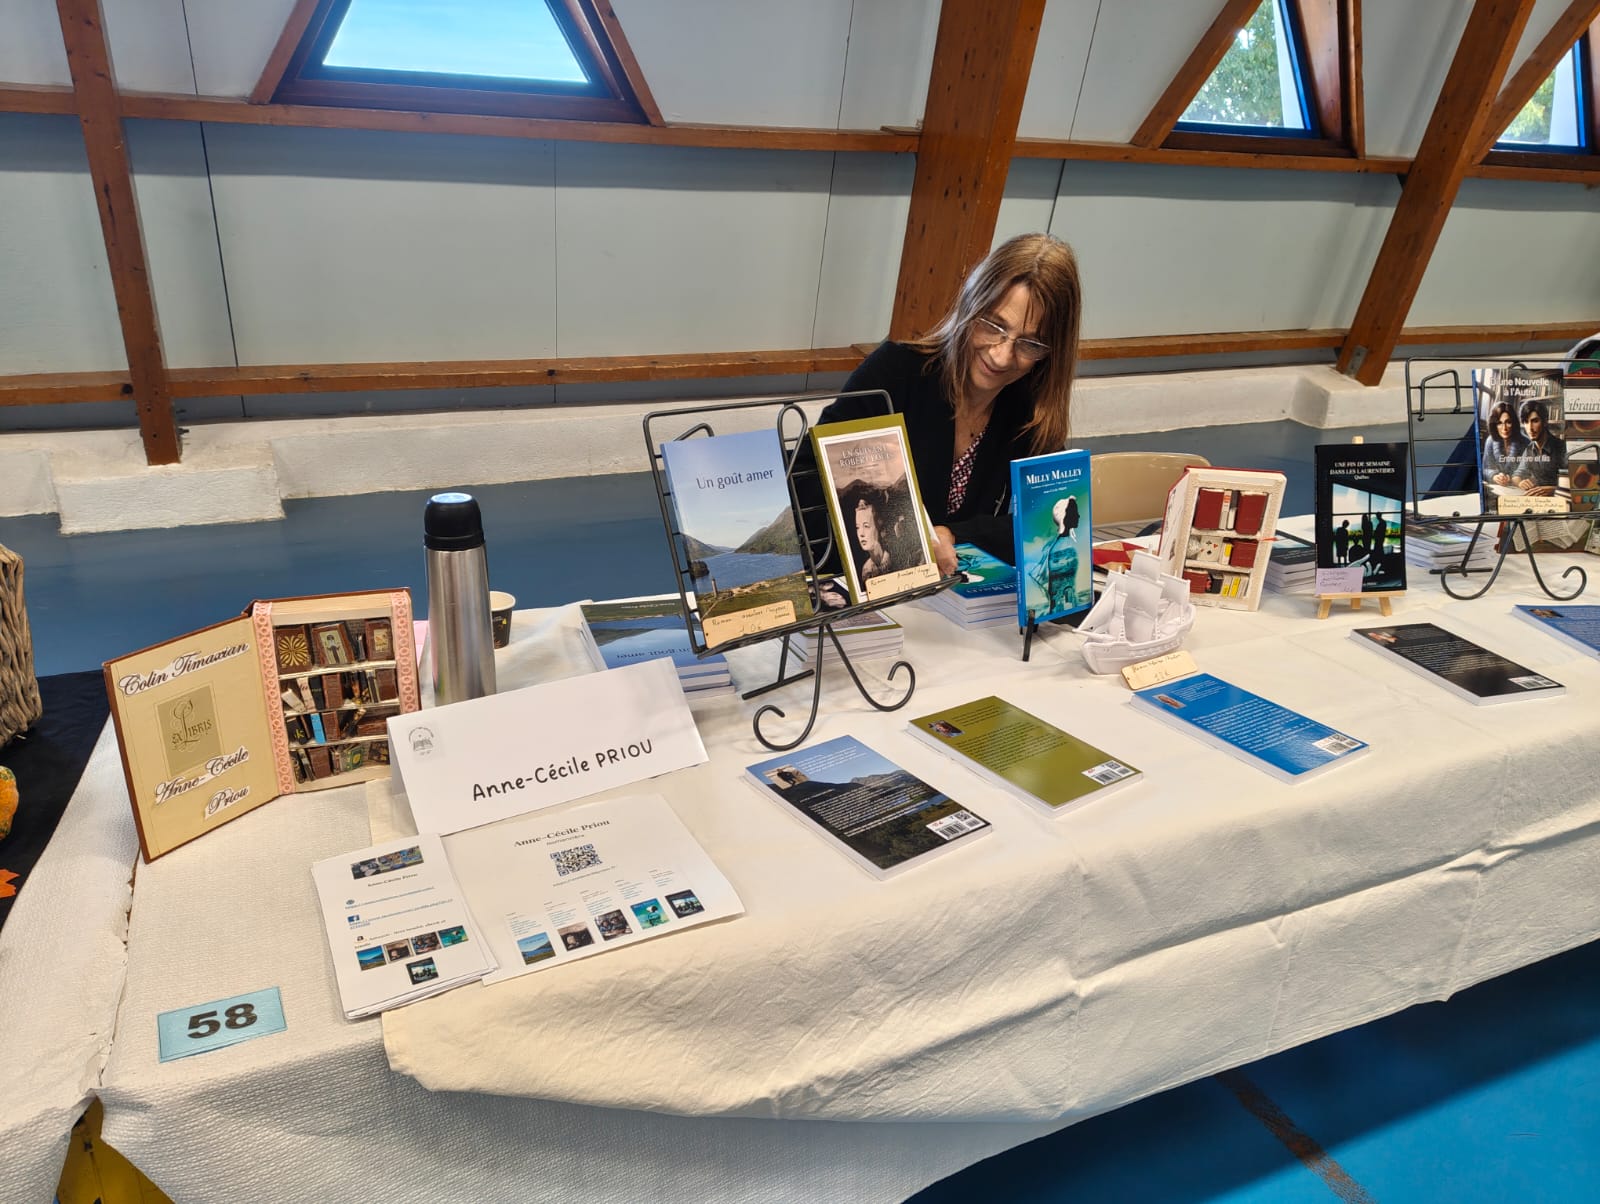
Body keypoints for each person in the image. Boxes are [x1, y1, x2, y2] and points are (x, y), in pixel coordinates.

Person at [805, 232, 1082, 577]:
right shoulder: (894, 374)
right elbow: (807, 489)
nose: (1001, 355)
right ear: (970, 305)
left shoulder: (1030, 409)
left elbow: (1053, 524)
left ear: (1051, 353)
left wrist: (954, 534)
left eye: (1029, 344)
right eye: (994, 325)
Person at [1511, 399, 1565, 495]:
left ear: (1545, 422)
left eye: (1535, 421)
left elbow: (1574, 482)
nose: (1530, 428)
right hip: (1536, 498)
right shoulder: (1529, 450)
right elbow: (1516, 475)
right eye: (1526, 422)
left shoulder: (1561, 447)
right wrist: (1520, 482)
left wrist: (1552, 489)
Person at [1480, 399, 1526, 488]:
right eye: (1499, 423)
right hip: (1498, 489)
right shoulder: (1490, 441)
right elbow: (1484, 469)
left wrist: (1513, 478)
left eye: (1508, 422)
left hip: (1518, 489)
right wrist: (1494, 476)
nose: (1504, 428)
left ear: (1514, 423)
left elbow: (1531, 473)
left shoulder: (1525, 442)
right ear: (1494, 425)